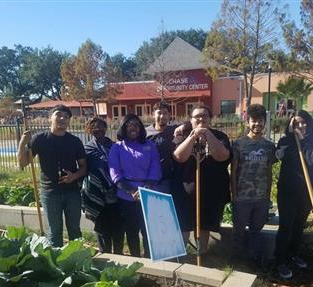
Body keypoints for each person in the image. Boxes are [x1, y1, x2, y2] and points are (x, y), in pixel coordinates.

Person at [17, 104, 87, 247]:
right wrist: (22, 143)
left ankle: (78, 262)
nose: (62, 118)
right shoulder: (39, 139)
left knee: (75, 230)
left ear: (69, 121)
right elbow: (23, 163)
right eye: (58, 115)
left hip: (72, 193)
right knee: (54, 233)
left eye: (66, 117)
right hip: (50, 193)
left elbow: (84, 167)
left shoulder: (75, 142)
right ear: (50, 118)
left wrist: (74, 176)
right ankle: (56, 264)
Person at [173, 104, 231, 252]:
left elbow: (222, 156)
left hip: (211, 192)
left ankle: (202, 254)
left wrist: (206, 133)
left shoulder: (220, 136)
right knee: (184, 225)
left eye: (205, 116)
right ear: (190, 120)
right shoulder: (182, 137)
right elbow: (179, 157)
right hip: (186, 192)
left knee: (205, 225)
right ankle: (181, 255)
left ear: (210, 119)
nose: (201, 118)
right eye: (197, 116)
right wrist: (193, 136)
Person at [274, 110, 313, 280]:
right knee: (286, 226)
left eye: (303, 122)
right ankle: (280, 260)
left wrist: (302, 141)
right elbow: (280, 155)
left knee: (299, 225)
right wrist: (293, 141)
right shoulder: (285, 142)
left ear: (309, 123)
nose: (300, 126)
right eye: (296, 123)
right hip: (288, 192)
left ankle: (293, 254)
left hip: (309, 191)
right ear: (290, 126)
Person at [109, 114, 161, 258]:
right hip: (126, 196)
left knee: (148, 231)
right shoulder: (117, 148)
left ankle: (150, 258)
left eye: (136, 124)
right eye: (129, 125)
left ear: (141, 128)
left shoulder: (150, 146)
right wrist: (132, 191)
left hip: (148, 193)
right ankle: (136, 259)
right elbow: (115, 173)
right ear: (123, 128)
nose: (133, 127)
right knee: (132, 230)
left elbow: (155, 168)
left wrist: (146, 188)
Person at [231, 104, 276, 264]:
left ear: (265, 122)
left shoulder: (269, 146)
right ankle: (236, 261)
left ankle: (253, 260)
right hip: (242, 197)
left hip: (261, 198)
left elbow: (269, 171)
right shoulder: (238, 144)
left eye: (261, 121)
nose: (257, 124)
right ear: (247, 122)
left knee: (256, 230)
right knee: (239, 231)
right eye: (254, 121)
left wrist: (267, 195)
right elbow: (234, 171)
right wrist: (234, 195)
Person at [82, 117, 124, 254]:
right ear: (89, 130)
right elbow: (83, 170)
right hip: (97, 195)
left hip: (117, 194)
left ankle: (120, 257)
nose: (98, 129)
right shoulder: (86, 149)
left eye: (101, 126)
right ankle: (105, 257)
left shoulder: (115, 147)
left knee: (118, 229)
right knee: (102, 229)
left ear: (106, 128)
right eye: (94, 127)